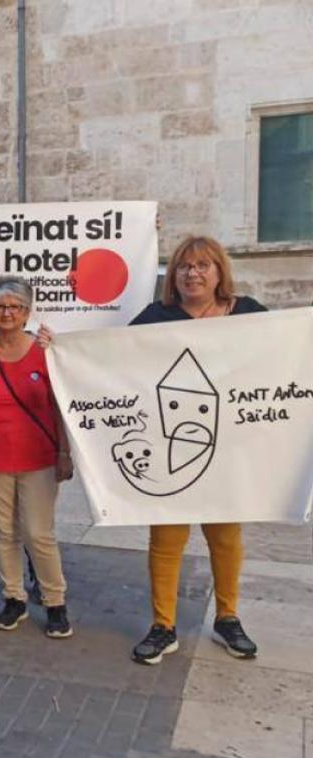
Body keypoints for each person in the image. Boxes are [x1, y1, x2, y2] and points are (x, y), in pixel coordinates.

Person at [119, 236, 263, 664]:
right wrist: (62, 350)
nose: (192, 273)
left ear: (220, 271)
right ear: (173, 275)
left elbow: (283, 354)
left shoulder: (249, 313)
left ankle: (228, 617)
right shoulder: (156, 316)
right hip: (172, 445)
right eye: (183, 266)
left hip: (232, 446)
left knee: (225, 535)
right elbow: (110, 359)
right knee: (166, 536)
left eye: (202, 265)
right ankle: (163, 626)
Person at [0, 276, 74, 639]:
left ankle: (55, 601)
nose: (6, 312)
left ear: (27, 312)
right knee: (4, 532)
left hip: (38, 459)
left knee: (38, 533)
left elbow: (59, 406)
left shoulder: (45, 352)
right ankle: (14, 597)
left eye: (14, 306)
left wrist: (63, 451)